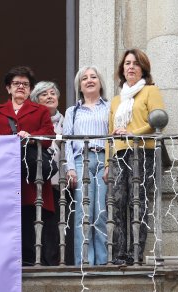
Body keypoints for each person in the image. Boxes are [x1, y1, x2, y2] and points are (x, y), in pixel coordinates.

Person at [0, 66, 54, 266]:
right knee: (5, 218)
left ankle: (30, 260)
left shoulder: (40, 111)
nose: (20, 87)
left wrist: (31, 138)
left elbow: (48, 137)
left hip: (31, 175)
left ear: (30, 90)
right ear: (8, 88)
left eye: (25, 84)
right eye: (16, 84)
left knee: (31, 216)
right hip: (4, 175)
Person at [106, 49, 165, 265]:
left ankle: (135, 252)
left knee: (137, 202)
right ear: (122, 69)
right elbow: (109, 134)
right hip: (120, 153)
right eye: (127, 63)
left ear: (143, 69)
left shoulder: (150, 91)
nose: (131, 67)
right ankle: (119, 253)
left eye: (136, 64)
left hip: (143, 152)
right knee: (119, 202)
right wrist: (107, 163)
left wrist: (134, 133)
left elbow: (158, 120)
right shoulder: (115, 100)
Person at [62, 66, 110, 266]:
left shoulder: (109, 108)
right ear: (79, 86)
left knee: (101, 213)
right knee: (84, 214)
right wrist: (70, 168)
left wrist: (110, 163)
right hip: (81, 161)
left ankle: (102, 262)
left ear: (100, 82)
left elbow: (113, 139)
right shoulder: (72, 112)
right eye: (84, 78)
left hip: (102, 161)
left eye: (93, 77)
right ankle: (84, 263)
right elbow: (66, 142)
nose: (89, 80)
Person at [30, 81, 72, 265]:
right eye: (43, 94)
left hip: (66, 182)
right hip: (43, 183)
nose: (49, 96)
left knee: (63, 226)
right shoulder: (34, 123)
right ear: (36, 100)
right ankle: (44, 261)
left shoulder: (68, 121)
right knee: (44, 225)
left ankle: (63, 261)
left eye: (53, 93)